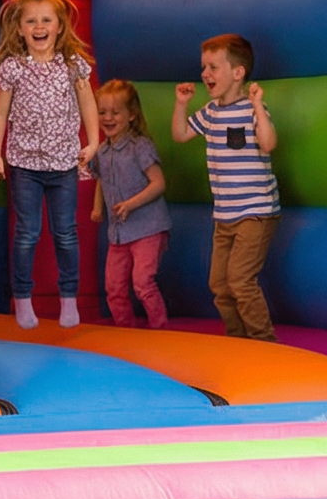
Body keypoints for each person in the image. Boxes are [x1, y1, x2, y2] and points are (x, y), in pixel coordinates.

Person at [0, 0, 98, 330]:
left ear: (59, 26)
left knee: (65, 232)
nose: (39, 26)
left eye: (46, 20)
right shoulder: (12, 68)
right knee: (28, 233)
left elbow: (87, 103)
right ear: (19, 28)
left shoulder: (73, 66)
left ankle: (68, 298)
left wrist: (93, 142)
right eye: (31, 20)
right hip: (25, 164)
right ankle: (23, 297)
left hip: (64, 163)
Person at [172, 34, 279, 340]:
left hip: (256, 212)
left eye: (213, 67)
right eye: (203, 66)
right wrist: (181, 104)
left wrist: (258, 106)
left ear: (238, 72)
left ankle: (264, 342)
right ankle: (237, 340)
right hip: (225, 215)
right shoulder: (211, 111)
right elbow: (180, 134)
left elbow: (268, 144)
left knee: (241, 281)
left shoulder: (250, 109)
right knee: (219, 285)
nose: (205, 73)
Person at [87, 80, 170, 328]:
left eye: (115, 112)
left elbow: (158, 183)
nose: (108, 118)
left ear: (131, 114)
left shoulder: (139, 147)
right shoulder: (101, 151)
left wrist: (130, 204)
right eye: (102, 112)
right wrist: (97, 208)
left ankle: (161, 328)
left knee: (143, 283)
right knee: (114, 288)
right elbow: (101, 179)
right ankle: (126, 332)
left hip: (147, 227)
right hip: (119, 233)